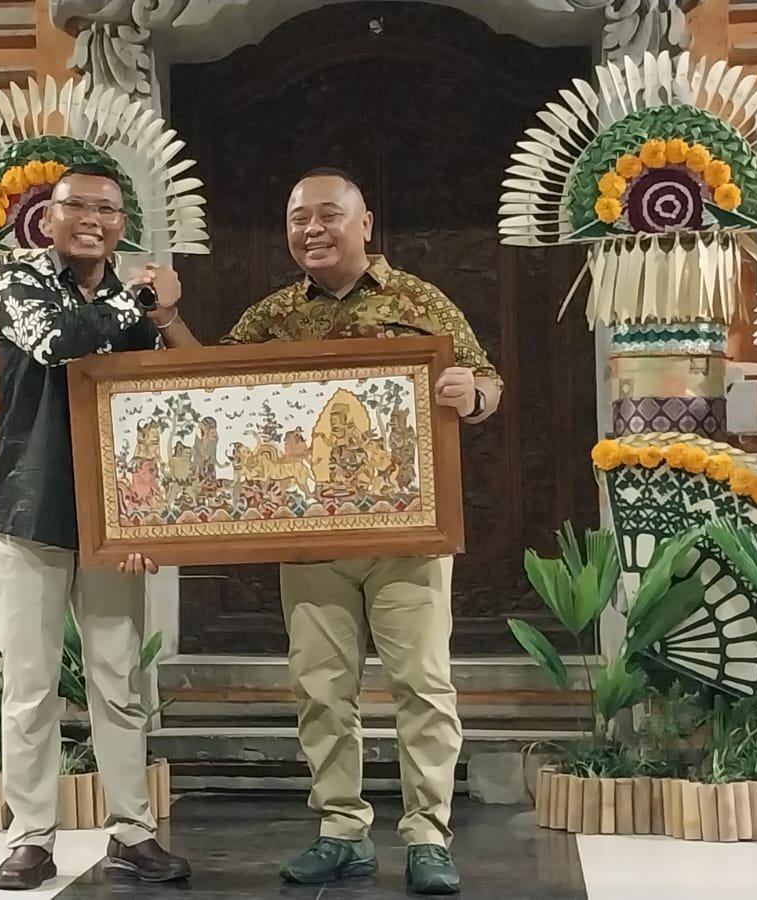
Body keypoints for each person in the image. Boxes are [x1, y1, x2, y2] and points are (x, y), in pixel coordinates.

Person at [218, 168, 503, 896]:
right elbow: (215, 385)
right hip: (311, 539)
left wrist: (470, 393)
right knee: (320, 689)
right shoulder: (272, 316)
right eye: (298, 219)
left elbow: (487, 382)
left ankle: (428, 835)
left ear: (365, 222)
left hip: (408, 534)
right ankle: (341, 830)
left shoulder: (419, 302)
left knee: (423, 686)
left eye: (329, 215)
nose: (312, 230)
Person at [0, 163, 193, 890]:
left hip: (112, 521)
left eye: (107, 210)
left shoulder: (131, 304)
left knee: (119, 681)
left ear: (122, 224)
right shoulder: (16, 279)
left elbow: (162, 400)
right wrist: (141, 298)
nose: (92, 221)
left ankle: (133, 832)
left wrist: (147, 523)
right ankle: (31, 839)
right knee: (30, 686)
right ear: (49, 216)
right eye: (77, 207)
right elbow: (56, 341)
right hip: (27, 512)